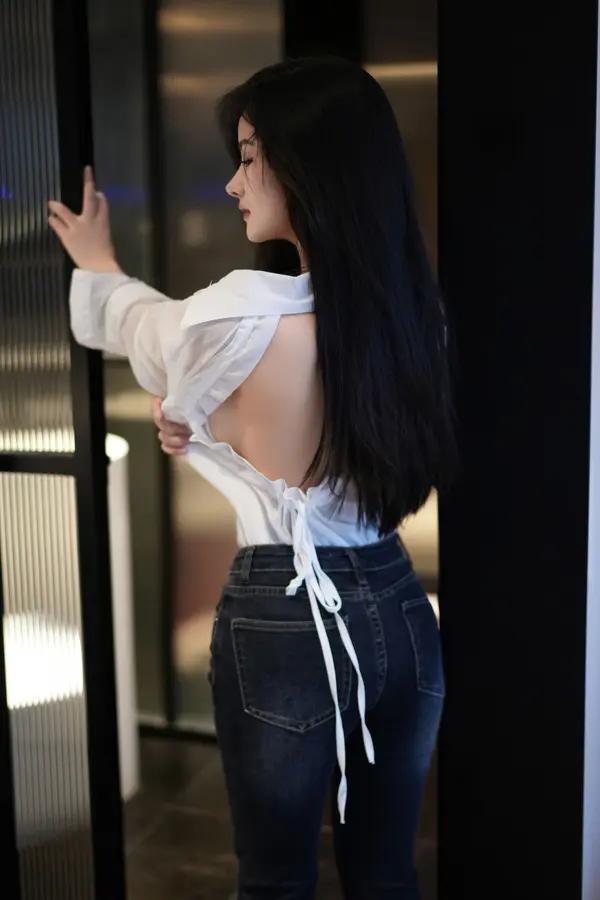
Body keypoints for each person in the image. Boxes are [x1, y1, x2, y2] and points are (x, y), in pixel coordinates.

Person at [48, 54, 460, 900]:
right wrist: (197, 420)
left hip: (284, 613)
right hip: (400, 607)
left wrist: (99, 264)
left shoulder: (239, 312)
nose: (234, 184)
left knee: (274, 880)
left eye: (246, 157)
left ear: (305, 166)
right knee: (387, 873)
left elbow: (148, 330)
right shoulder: (415, 313)